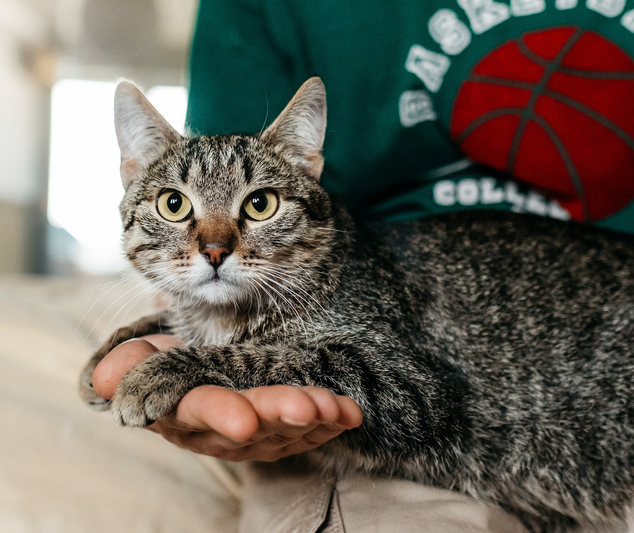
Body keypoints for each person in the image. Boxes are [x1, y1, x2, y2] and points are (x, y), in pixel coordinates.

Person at [93, 1, 634, 531]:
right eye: (174, 206)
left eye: (258, 205)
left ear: (308, 167)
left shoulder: (338, 282)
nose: (215, 244)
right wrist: (172, 334)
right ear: (133, 173)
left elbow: (415, 402)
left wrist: (216, 367)